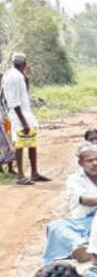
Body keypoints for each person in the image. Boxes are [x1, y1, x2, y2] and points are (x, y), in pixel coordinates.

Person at [43, 143, 97, 265]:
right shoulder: (74, 179)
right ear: (80, 163)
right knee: (55, 226)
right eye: (90, 161)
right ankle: (82, 246)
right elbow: (83, 198)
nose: (95, 163)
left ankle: (88, 246)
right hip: (80, 223)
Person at [1, 53, 49, 185]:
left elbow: (23, 94)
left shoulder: (16, 75)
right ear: (24, 64)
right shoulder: (14, 77)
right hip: (19, 115)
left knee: (32, 142)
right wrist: (23, 122)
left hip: (25, 113)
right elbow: (14, 102)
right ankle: (21, 175)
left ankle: (34, 173)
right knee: (20, 145)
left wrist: (27, 79)